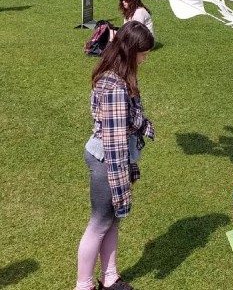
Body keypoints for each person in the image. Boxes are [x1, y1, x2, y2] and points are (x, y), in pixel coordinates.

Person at [74, 21, 155, 290]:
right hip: (106, 161)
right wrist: (122, 185)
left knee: (112, 222)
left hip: (116, 157)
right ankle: (83, 285)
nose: (146, 57)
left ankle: (110, 277)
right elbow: (114, 144)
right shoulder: (114, 87)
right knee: (99, 223)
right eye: (144, 52)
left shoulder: (121, 75)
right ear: (131, 51)